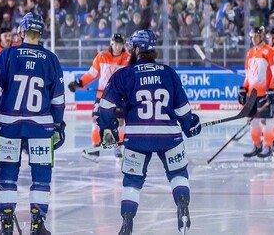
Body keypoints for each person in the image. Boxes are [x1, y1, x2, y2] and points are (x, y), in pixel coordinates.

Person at [97, 29, 201, 235]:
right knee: (177, 173)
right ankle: (182, 206)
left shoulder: (125, 74)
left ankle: (127, 221)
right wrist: (190, 124)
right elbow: (182, 109)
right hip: (169, 136)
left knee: (132, 181)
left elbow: (106, 106)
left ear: (137, 49)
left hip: (137, 138)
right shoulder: (168, 72)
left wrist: (108, 128)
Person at [0, 13, 65, 235]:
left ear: (22, 32)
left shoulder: (7, 55)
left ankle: (6, 225)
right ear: (40, 33)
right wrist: (58, 125)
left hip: (9, 126)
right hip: (41, 127)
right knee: (41, 176)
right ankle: (38, 224)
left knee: (7, 177)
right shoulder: (51, 59)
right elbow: (58, 100)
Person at [69, 33, 130, 160]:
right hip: (102, 95)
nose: (118, 46)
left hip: (120, 97)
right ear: (111, 43)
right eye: (116, 43)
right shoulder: (102, 56)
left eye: (120, 43)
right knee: (96, 119)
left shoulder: (128, 58)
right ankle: (95, 149)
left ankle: (119, 147)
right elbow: (92, 73)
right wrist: (79, 83)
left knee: (120, 121)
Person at [240, 26, 274, 159]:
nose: (253, 39)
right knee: (252, 121)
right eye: (251, 37)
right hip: (252, 94)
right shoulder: (250, 53)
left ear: (261, 36)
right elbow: (249, 74)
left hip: (265, 93)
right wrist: (244, 88)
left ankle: (268, 146)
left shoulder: (269, 52)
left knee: (267, 120)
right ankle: (256, 145)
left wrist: (273, 89)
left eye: (255, 36)